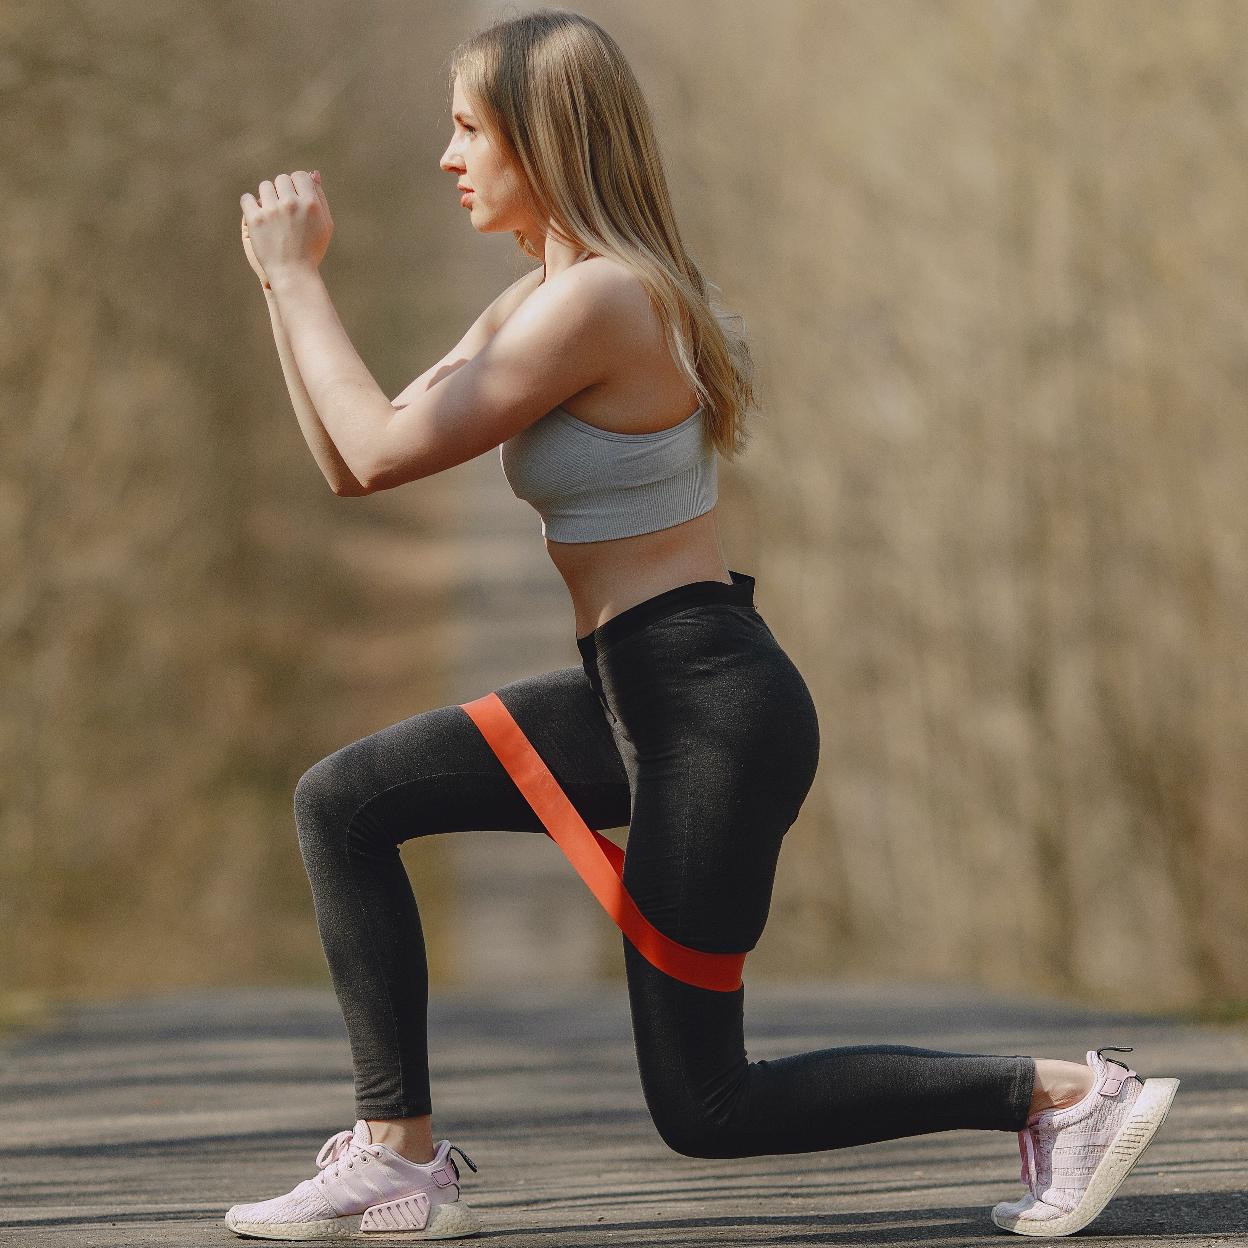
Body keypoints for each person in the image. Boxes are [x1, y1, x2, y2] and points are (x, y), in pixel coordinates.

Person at [227, 7, 1178, 1241]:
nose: (447, 156)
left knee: (707, 1105)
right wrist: (275, 288)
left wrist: (298, 276)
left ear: (544, 139)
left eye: (468, 128)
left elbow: (377, 442)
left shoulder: (604, 307)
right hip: (639, 694)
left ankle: (1067, 1092)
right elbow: (351, 463)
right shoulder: (536, 303)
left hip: (709, 708)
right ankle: (398, 1157)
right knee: (342, 800)